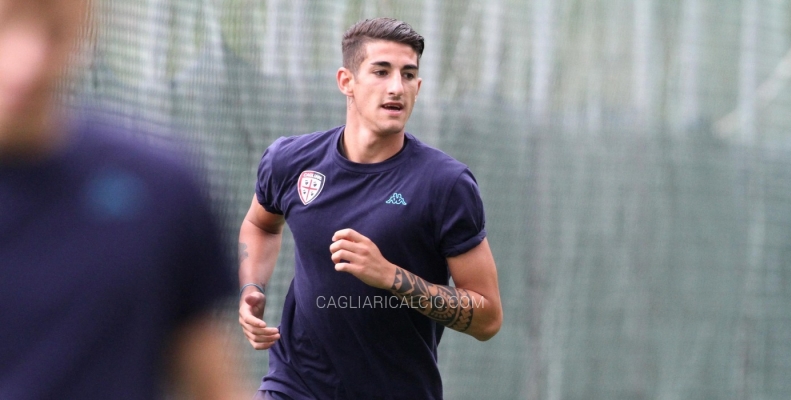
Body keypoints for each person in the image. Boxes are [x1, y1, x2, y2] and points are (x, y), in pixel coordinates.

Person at [238, 17, 503, 399]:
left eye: (408, 75)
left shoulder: (445, 184)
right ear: (346, 81)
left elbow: (488, 318)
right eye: (381, 72)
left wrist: (390, 276)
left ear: (418, 87)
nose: (396, 87)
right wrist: (252, 286)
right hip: (294, 386)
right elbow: (261, 225)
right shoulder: (290, 161)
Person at [0, 0, 248, 398]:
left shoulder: (161, 192)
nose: (26, 61)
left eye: (54, 32)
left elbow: (215, 386)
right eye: (5, 26)